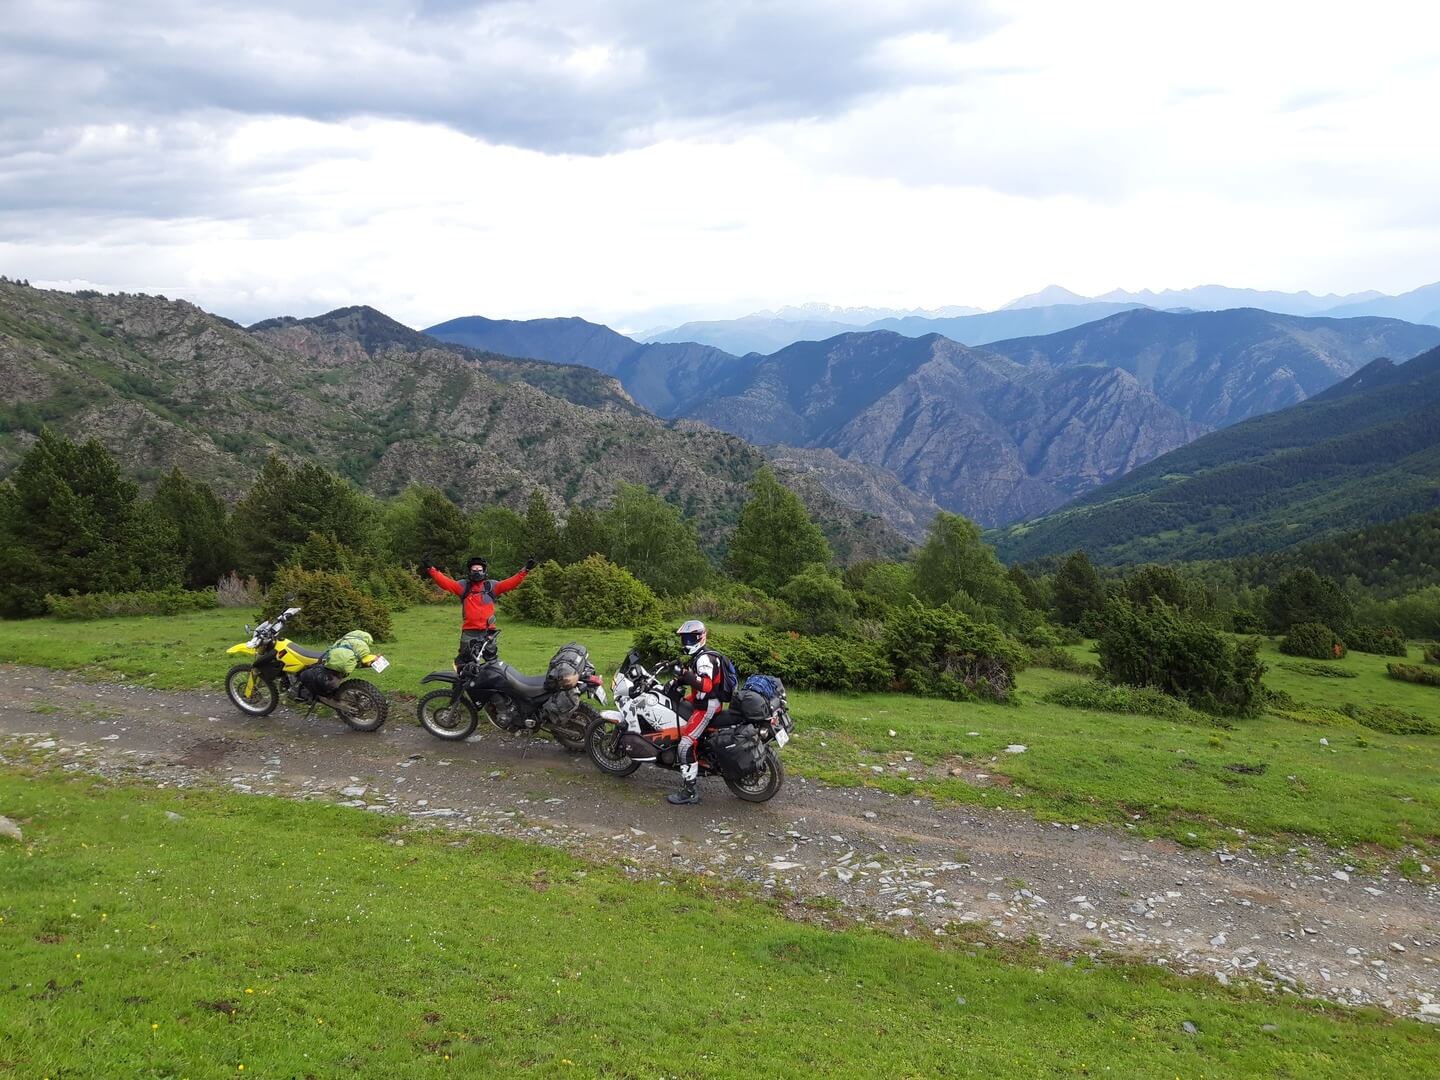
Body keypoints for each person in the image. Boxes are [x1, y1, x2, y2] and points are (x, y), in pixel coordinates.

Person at [424, 555, 534, 669]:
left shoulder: (491, 586)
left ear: (484, 571)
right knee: (464, 663)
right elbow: (445, 582)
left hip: (488, 632)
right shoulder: (463, 587)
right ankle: (461, 679)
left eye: (479, 570)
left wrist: (526, 569)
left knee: (492, 663)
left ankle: (489, 679)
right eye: (474, 570)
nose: (477, 572)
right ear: (469, 571)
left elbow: (511, 582)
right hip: (469, 632)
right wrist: (430, 569)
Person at [665, 618, 731, 806]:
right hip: (702, 700)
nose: (686, 643)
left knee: (685, 744)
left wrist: (686, 675)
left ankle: (690, 791)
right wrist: (680, 679)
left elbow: (706, 685)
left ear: (700, 638)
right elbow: (698, 683)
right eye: (684, 639)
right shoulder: (703, 655)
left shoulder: (704, 659)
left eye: (689, 639)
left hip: (707, 705)